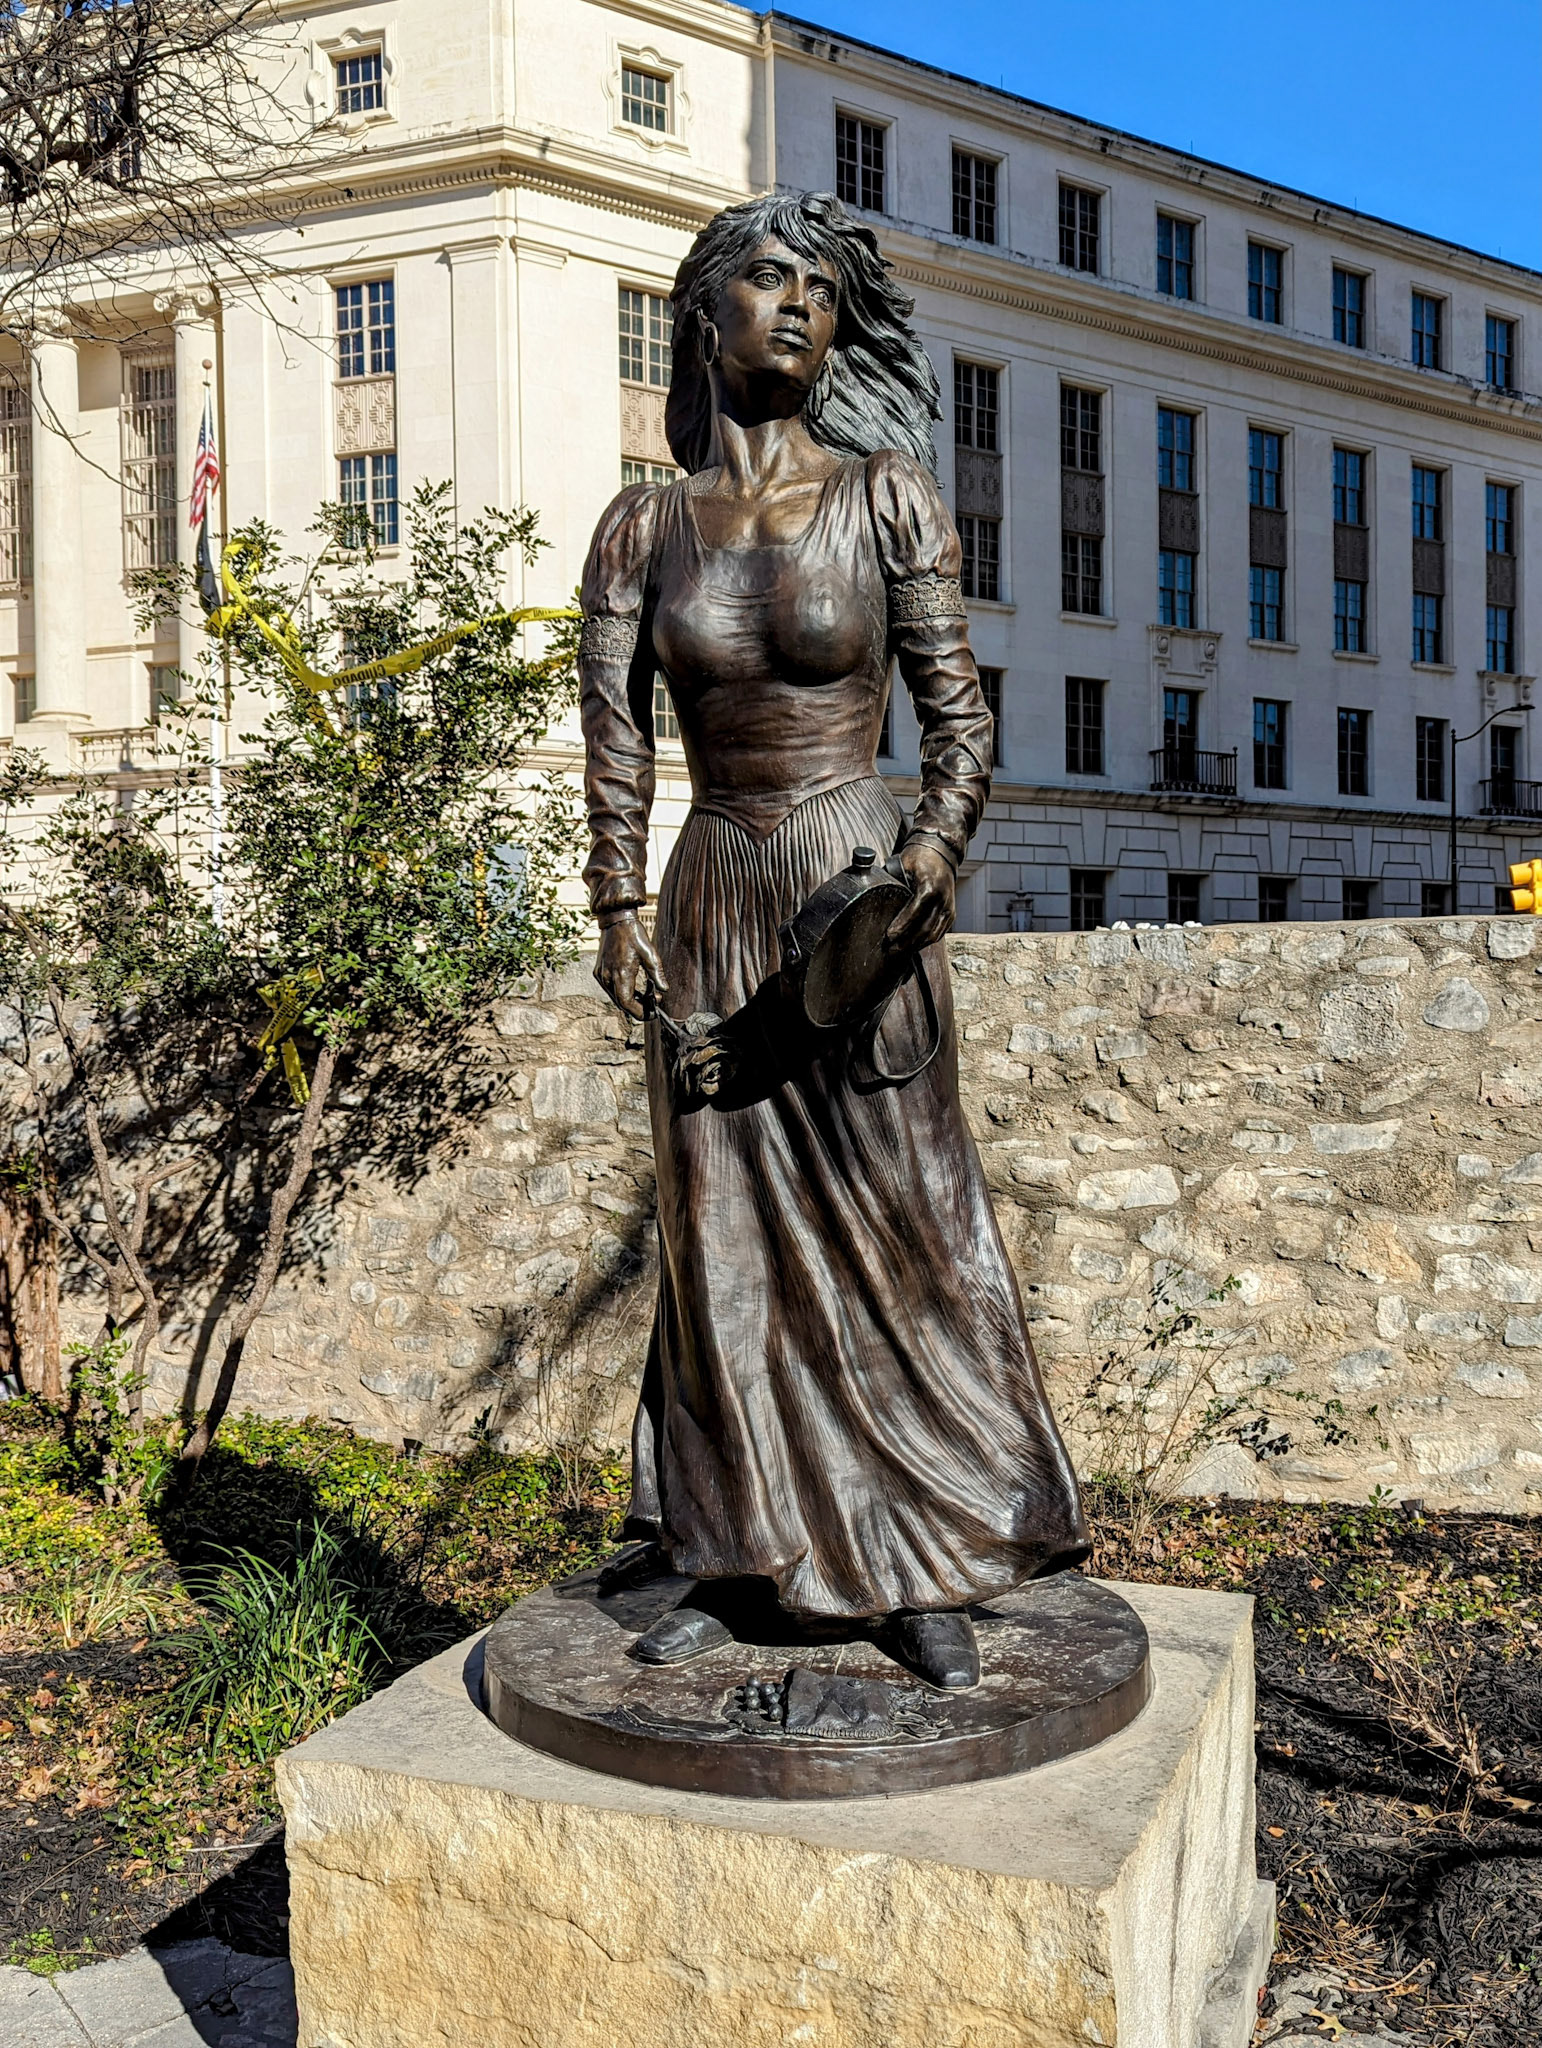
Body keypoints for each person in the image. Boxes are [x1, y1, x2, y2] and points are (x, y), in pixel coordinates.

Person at [579, 191, 1087, 1691]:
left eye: (818, 285)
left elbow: (959, 714)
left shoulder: (885, 497)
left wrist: (929, 857)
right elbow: (615, 736)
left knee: (905, 1220)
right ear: (705, 313)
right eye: (767, 278)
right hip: (709, 893)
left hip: (848, 889)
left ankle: (922, 1554)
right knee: (717, 1240)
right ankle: (737, 1549)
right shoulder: (641, 527)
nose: (798, 302)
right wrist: (616, 905)